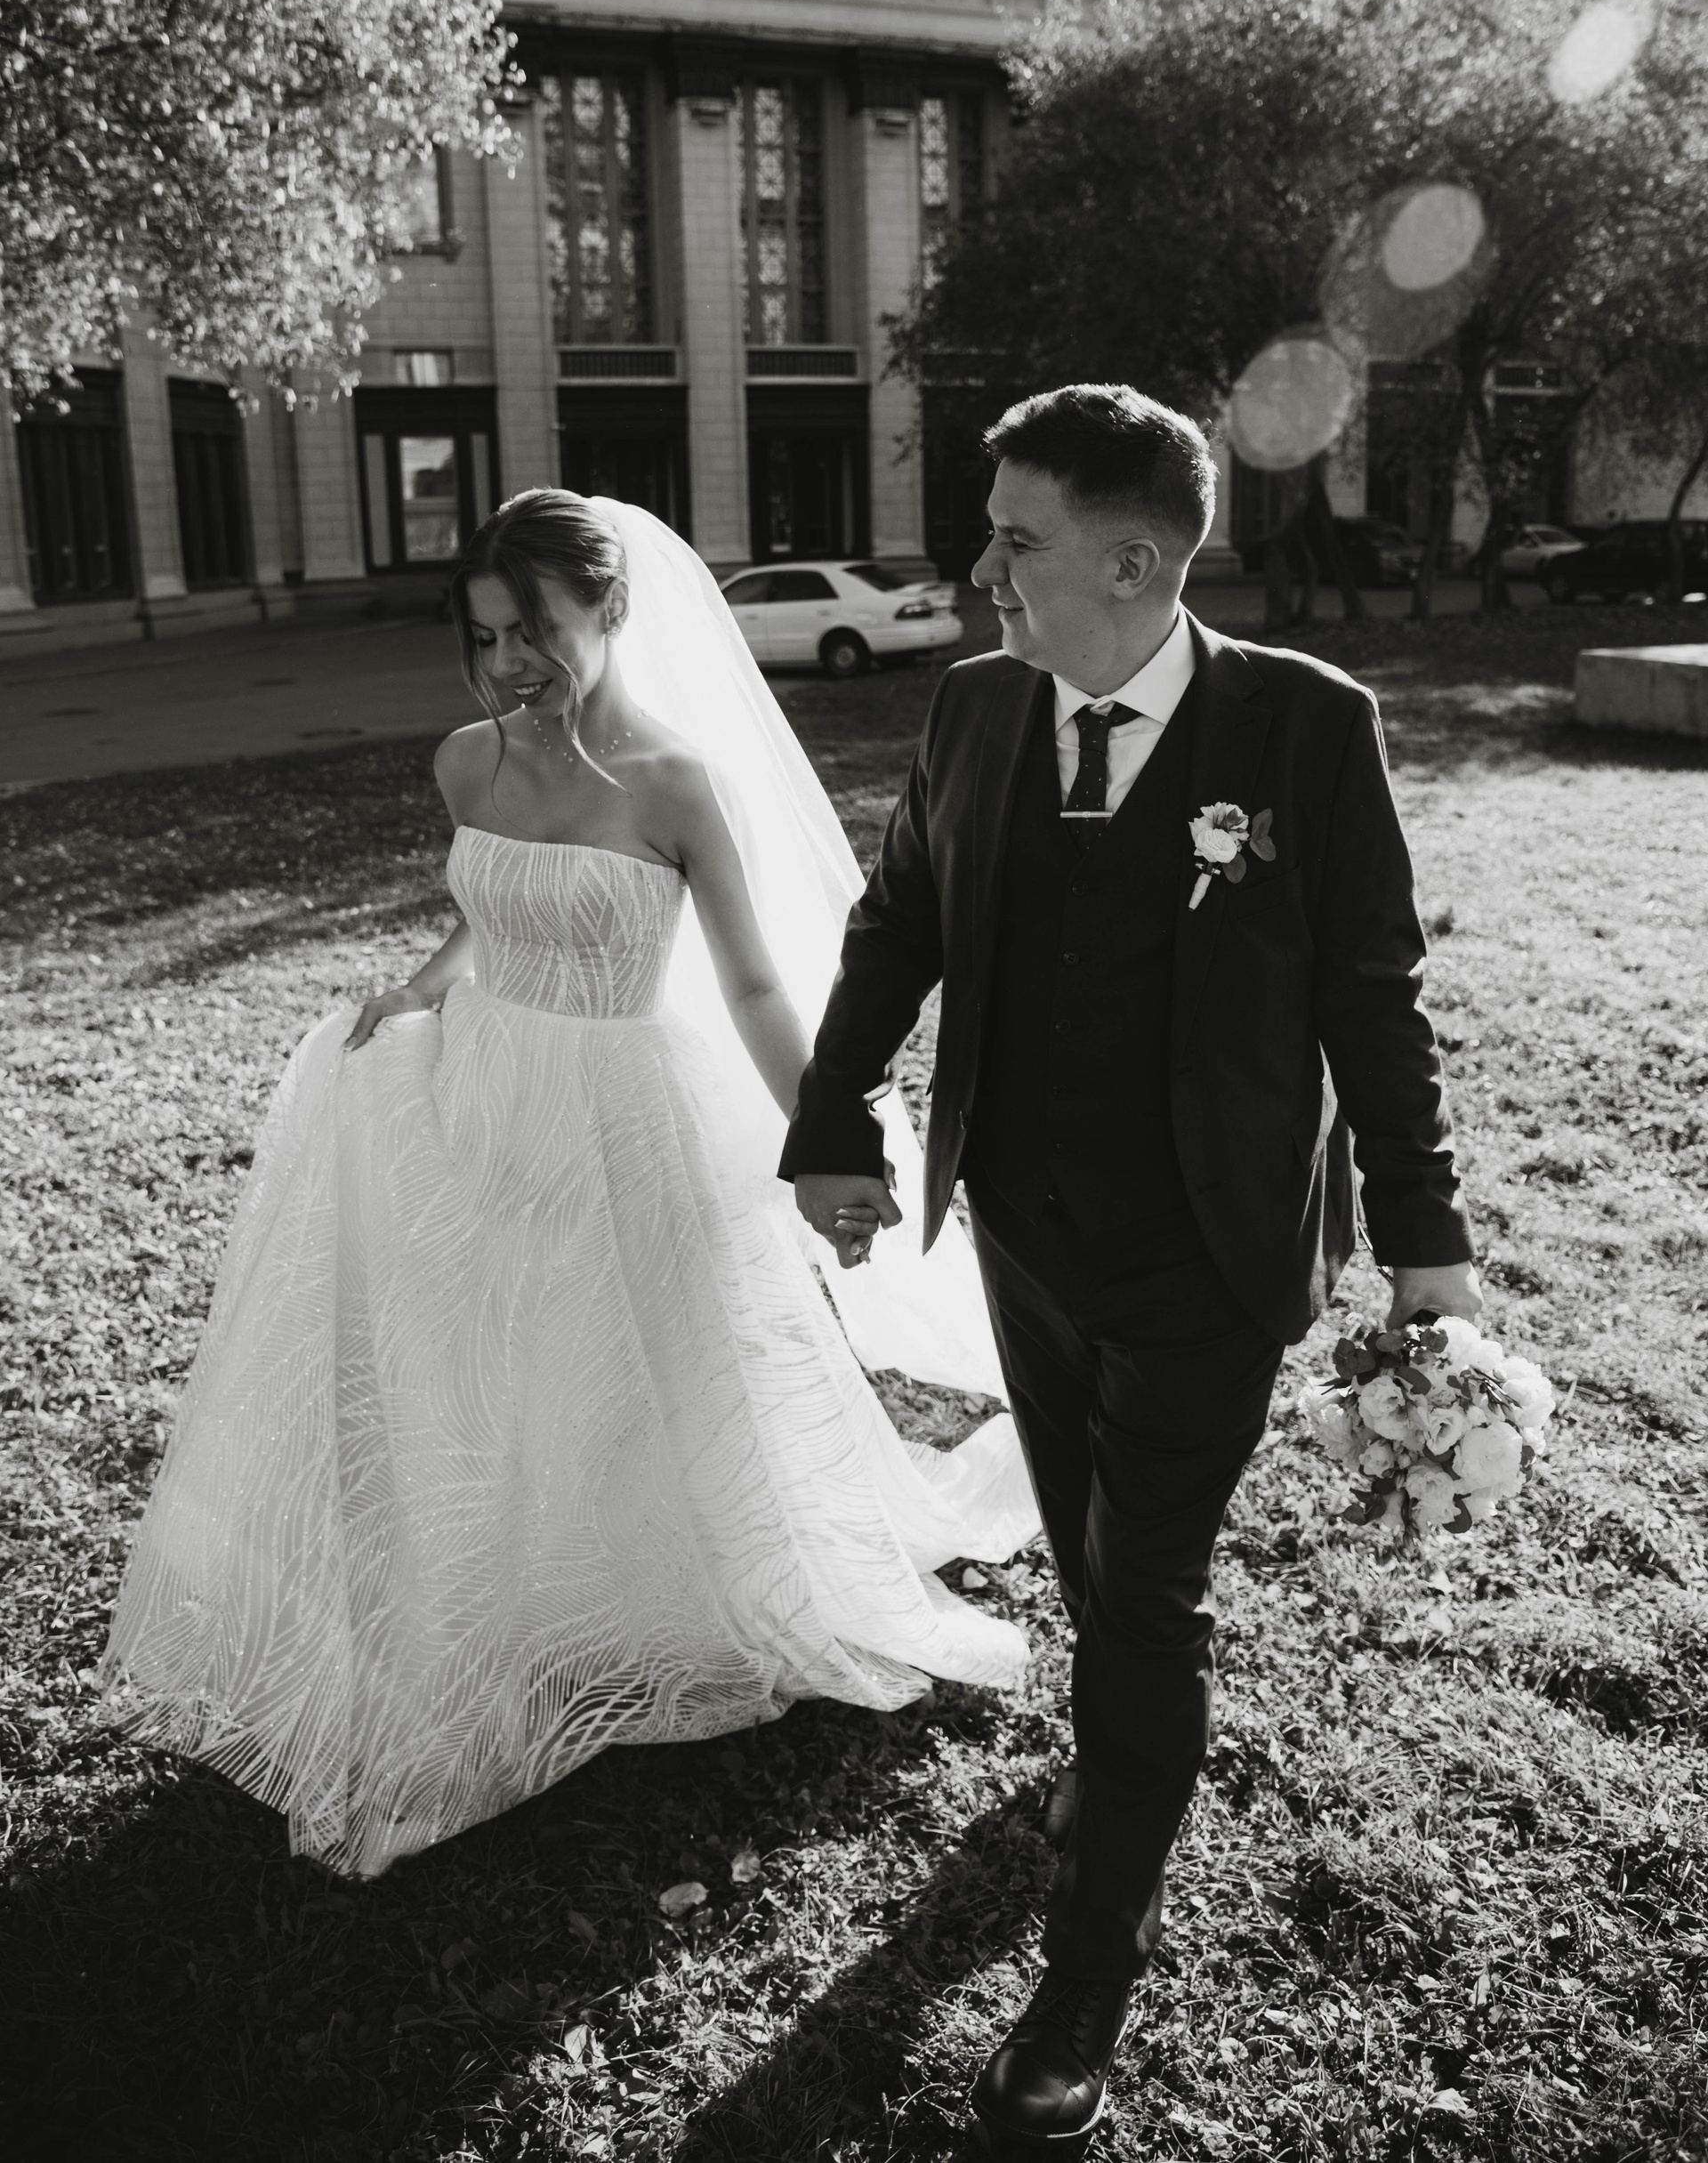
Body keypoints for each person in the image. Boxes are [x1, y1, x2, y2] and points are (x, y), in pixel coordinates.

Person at [103, 490, 1038, 1881]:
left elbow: (755, 984)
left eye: (533, 632)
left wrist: (826, 1135)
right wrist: (420, 988)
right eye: (484, 638)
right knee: (482, 1365)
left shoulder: (673, 783)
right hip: (478, 1096)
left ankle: (645, 1596)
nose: (508, 665)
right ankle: (505, 1600)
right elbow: (488, 915)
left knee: (631, 1367)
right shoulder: (466, 761)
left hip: (620, 1109)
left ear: (610, 613)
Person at [784, 386, 1479, 2151]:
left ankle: (1089, 1967)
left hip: (1209, 1256)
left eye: (1016, 539)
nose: (983, 571)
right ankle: (1119, 1758)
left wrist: (1428, 1246)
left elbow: (1372, 998)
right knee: (1096, 1574)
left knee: (1146, 1590)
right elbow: (902, 921)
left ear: (1134, 560)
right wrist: (833, 1117)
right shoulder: (973, 710)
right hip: (1020, 1234)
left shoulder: (1305, 726)